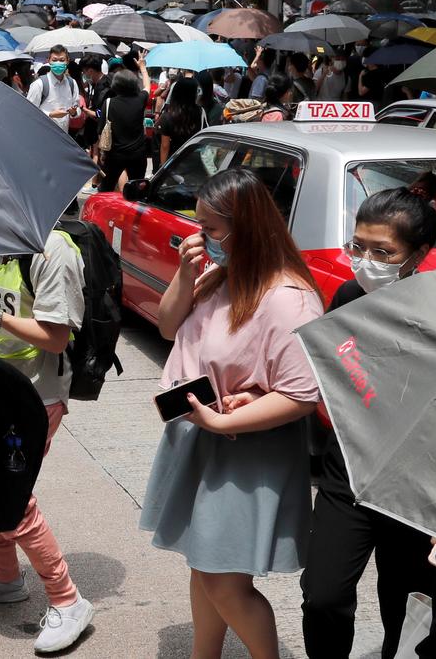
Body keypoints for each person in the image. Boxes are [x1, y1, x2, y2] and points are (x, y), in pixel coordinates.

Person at [141, 167, 324, 659]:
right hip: (205, 436)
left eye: (212, 228)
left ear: (248, 227)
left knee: (225, 583)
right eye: (198, 224)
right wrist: (184, 273)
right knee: (204, 568)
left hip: (246, 453)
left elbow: (302, 394)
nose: (202, 236)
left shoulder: (289, 300)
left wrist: (222, 421)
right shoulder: (221, 274)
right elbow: (165, 325)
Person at [301, 188, 436, 659]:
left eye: (383, 252)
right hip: (349, 474)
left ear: (418, 254)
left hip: (415, 487)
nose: (366, 261)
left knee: (403, 607)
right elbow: (333, 376)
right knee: (323, 595)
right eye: (358, 246)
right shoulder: (347, 296)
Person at [0, 237, 95, 654]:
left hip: (35, 397)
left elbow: (55, 337)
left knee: (11, 497)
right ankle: (4, 578)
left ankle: (68, 599)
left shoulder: (54, 252)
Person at [96, 69, 149, 192]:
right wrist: (142, 68)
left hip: (114, 155)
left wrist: (102, 152)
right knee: (136, 189)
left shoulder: (109, 103)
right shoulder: (140, 99)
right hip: (138, 155)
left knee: (106, 187)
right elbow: (147, 86)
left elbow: (101, 131)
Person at [26, 46, 81, 131]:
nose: (58, 63)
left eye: (62, 60)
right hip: (42, 135)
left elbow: (77, 108)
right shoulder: (39, 84)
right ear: (49, 61)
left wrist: (74, 112)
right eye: (54, 60)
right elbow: (29, 112)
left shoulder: (72, 83)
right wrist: (50, 115)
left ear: (67, 61)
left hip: (64, 135)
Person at [156, 77, 204, 167]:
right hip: (195, 161)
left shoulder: (167, 116)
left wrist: (163, 166)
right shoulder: (201, 112)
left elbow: (165, 146)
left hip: (175, 162)